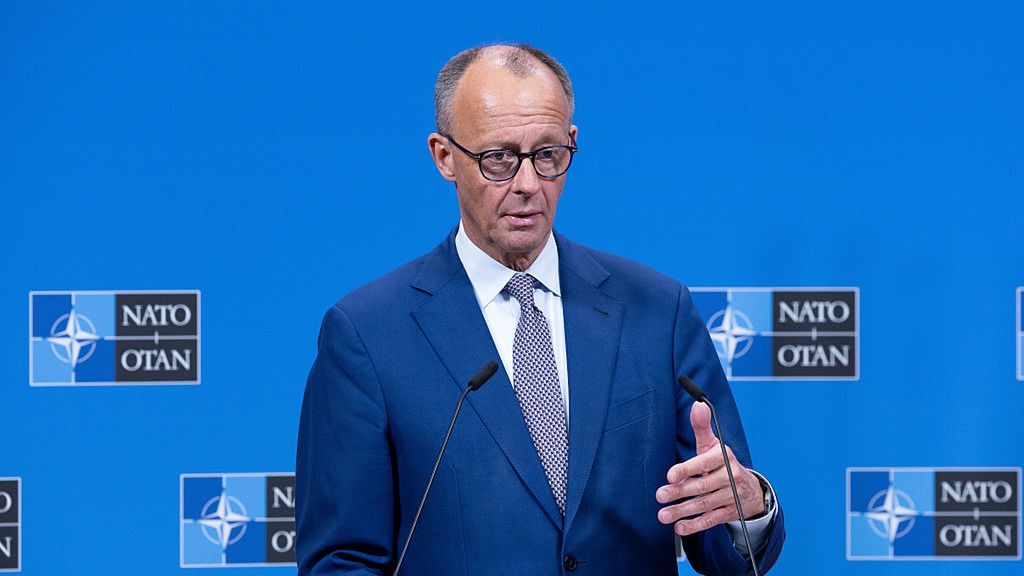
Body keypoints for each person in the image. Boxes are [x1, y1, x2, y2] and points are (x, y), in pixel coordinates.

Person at [296, 43, 785, 575]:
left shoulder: (657, 311)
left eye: (548, 155)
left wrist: (749, 506)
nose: (527, 184)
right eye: (498, 159)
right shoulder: (368, 334)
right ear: (444, 157)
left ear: (571, 144)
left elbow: (726, 548)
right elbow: (340, 561)